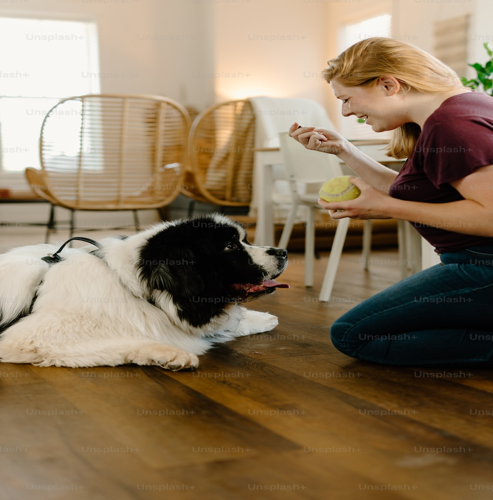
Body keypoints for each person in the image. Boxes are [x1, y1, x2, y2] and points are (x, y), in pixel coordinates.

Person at [289, 36, 493, 367]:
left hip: (482, 266)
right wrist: (345, 150)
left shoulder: (452, 125)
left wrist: (384, 208)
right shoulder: (461, 109)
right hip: (475, 261)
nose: (346, 111)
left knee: (353, 333)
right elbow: (409, 191)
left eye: (347, 99)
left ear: (388, 84)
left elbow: (490, 217)